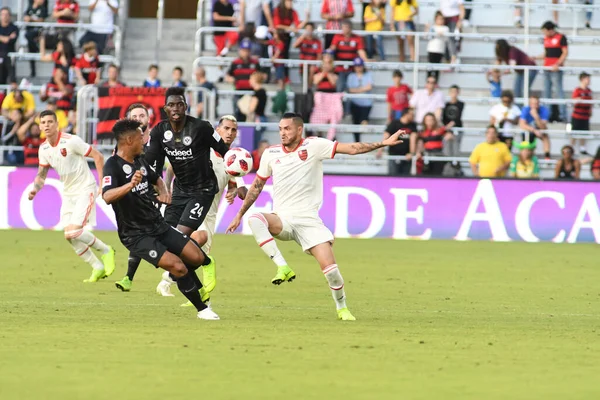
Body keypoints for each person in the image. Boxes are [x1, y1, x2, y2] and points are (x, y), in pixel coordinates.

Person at [226, 112, 404, 321]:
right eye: (280, 129)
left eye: (287, 129)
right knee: (255, 219)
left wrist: (384, 143)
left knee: (332, 271)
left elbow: (353, 149)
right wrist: (239, 214)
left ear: (299, 129)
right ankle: (282, 267)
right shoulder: (270, 153)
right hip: (283, 219)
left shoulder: (314, 145)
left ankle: (342, 308)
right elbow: (257, 186)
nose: (282, 133)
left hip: (309, 222)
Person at [102, 119, 219, 320]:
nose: (144, 142)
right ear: (129, 140)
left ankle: (179, 278)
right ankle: (202, 309)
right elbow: (107, 196)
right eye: (141, 138)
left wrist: (164, 192)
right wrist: (129, 186)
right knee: (178, 266)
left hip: (159, 225)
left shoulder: (140, 160)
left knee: (197, 257)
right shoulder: (113, 165)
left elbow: (156, 178)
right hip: (136, 235)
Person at [145, 87, 229, 295]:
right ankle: (199, 288)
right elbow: (152, 164)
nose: (176, 108)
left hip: (203, 190)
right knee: (164, 240)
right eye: (171, 105)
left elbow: (225, 152)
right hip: (179, 191)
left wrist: (237, 179)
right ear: (165, 108)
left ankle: (205, 262)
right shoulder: (158, 132)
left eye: (180, 104)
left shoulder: (201, 128)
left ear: (186, 106)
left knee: (179, 236)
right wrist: (156, 191)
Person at [156, 115, 247, 304]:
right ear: (217, 129)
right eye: (226, 128)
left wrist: (235, 189)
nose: (229, 133)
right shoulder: (203, 147)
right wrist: (166, 187)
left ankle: (181, 287)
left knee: (195, 256)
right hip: (188, 204)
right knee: (193, 243)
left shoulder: (234, 159)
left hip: (210, 211)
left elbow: (238, 187)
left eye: (233, 130)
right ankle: (173, 282)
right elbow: (173, 165)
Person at [28, 110, 116, 282]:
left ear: (57, 123)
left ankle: (106, 250)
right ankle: (97, 267)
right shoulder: (44, 149)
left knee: (75, 231)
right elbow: (42, 174)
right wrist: (35, 189)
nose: (46, 125)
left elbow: (97, 156)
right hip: (68, 193)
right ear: (39, 126)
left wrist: (102, 183)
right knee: (69, 235)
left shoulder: (71, 141)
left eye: (49, 122)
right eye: (43, 122)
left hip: (85, 188)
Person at [114, 104, 157, 292]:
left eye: (142, 115)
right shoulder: (126, 144)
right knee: (139, 235)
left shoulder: (158, 140)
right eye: (135, 116)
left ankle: (177, 272)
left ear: (149, 119)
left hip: (157, 195)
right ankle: (128, 278)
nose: (139, 118)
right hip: (136, 196)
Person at [225, 38, 261, 121]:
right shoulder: (235, 63)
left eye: (247, 50)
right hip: (239, 93)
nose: (245, 52)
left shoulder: (255, 63)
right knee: (237, 115)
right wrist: (230, 79)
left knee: (250, 116)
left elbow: (260, 76)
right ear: (240, 50)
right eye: (244, 50)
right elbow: (228, 75)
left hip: (251, 93)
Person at [329, 20, 368, 93]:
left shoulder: (357, 38)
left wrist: (366, 60)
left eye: (347, 27)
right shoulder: (337, 37)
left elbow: (361, 51)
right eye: (344, 27)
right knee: (340, 88)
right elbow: (332, 48)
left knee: (350, 88)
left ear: (350, 28)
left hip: (352, 68)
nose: (346, 29)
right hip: (340, 68)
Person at [541, 21, 568, 122]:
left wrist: (558, 64)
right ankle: (547, 115)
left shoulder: (561, 37)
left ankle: (562, 115)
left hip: (556, 69)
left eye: (545, 31)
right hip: (547, 68)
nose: (544, 34)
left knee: (558, 91)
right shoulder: (546, 39)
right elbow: (546, 53)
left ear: (550, 30)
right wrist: (535, 57)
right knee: (546, 92)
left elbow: (565, 53)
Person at [377, 107, 417, 175]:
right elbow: (386, 137)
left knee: (405, 179)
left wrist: (411, 153)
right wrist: (380, 150)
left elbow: (413, 140)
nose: (413, 116)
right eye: (412, 114)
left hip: (406, 157)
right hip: (393, 156)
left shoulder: (413, 125)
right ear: (406, 114)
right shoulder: (394, 123)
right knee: (393, 177)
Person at [346, 57, 373, 142]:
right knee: (355, 124)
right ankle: (357, 142)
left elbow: (369, 87)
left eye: (360, 66)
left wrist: (357, 90)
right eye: (357, 66)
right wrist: (363, 89)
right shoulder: (351, 76)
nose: (358, 68)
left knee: (363, 123)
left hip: (366, 103)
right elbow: (350, 90)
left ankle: (363, 143)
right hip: (355, 103)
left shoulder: (368, 74)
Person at [425, 11, 456, 82]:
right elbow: (427, 36)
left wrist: (440, 34)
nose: (441, 21)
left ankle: (435, 83)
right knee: (430, 67)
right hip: (431, 50)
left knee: (437, 68)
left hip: (440, 50)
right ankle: (428, 82)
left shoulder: (445, 28)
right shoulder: (432, 27)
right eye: (439, 19)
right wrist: (427, 28)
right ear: (435, 19)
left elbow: (447, 40)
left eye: (442, 19)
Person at [519, 94, 551, 159]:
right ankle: (528, 156)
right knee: (527, 139)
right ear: (530, 104)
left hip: (540, 130)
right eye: (533, 104)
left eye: (536, 103)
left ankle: (547, 156)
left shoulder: (544, 110)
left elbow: (543, 127)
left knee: (545, 135)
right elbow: (522, 124)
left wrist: (536, 116)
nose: (535, 106)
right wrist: (534, 130)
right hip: (529, 130)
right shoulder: (525, 109)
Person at [293, 22, 322, 88]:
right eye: (307, 29)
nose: (308, 31)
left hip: (312, 66)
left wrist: (317, 66)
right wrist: (302, 37)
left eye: (310, 29)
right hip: (303, 65)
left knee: (311, 74)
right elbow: (294, 45)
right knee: (303, 83)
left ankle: (309, 89)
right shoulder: (303, 40)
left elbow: (319, 54)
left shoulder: (317, 41)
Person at [24, 0, 49, 78]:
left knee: (28, 35)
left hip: (38, 31)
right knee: (31, 50)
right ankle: (33, 71)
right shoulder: (29, 8)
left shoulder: (43, 8)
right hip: (30, 31)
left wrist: (31, 19)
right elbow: (25, 17)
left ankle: (36, 48)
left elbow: (41, 20)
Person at [571, 72, 592, 155]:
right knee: (574, 132)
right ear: (582, 79)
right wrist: (580, 99)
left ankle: (582, 149)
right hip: (577, 115)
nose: (589, 81)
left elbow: (590, 102)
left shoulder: (589, 91)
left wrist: (590, 111)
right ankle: (571, 148)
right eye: (587, 79)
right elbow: (574, 101)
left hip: (585, 116)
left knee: (584, 133)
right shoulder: (577, 90)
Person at [0, 7, 18, 84]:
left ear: (10, 16)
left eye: (6, 14)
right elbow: (8, 39)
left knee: (11, 78)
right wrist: (6, 37)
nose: (5, 16)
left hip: (9, 55)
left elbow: (11, 40)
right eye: (3, 14)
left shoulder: (14, 27)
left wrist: (2, 38)